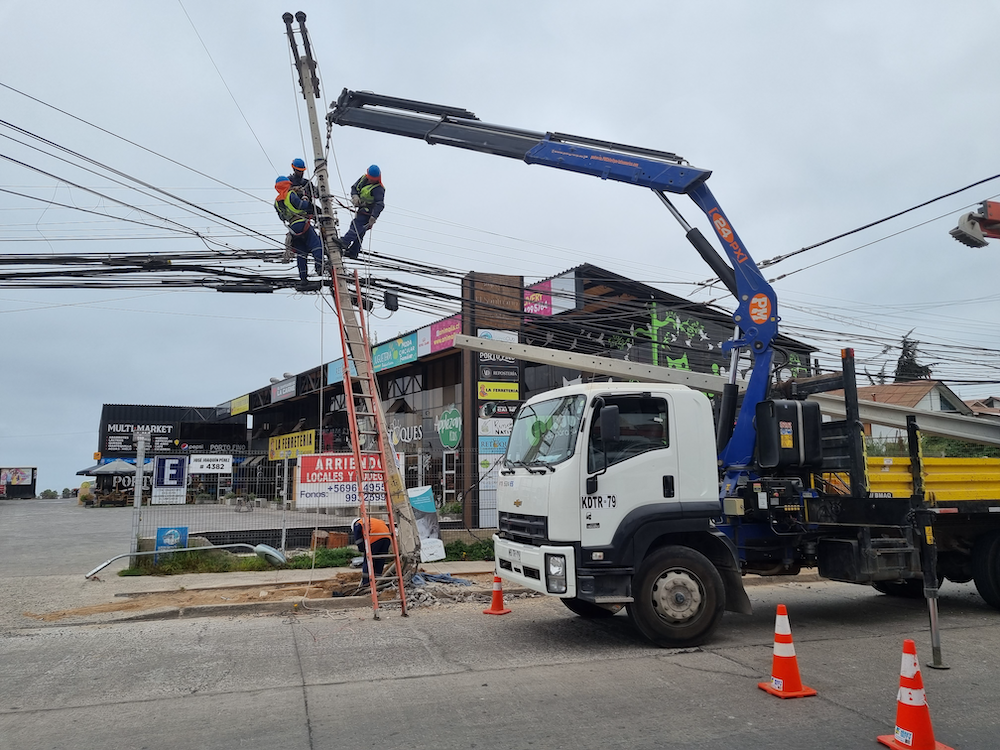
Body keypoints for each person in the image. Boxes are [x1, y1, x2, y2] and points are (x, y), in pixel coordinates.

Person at [274, 175, 324, 285]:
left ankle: (303, 278)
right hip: (302, 223)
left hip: (292, 228)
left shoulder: (277, 202)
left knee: (301, 253)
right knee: (316, 245)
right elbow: (301, 205)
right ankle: (319, 267)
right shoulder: (290, 194)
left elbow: (282, 217)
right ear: (288, 184)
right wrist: (305, 200)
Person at [341, 165, 385, 260]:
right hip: (361, 208)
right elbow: (354, 188)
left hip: (367, 213)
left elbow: (380, 204)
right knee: (360, 232)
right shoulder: (363, 179)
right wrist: (355, 196)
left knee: (356, 226)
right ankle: (353, 252)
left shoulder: (378, 189)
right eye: (370, 178)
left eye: (373, 179)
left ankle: (345, 241)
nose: (371, 180)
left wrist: (373, 217)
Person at [352, 516, 392, 587]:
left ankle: (366, 583)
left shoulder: (358, 524)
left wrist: (362, 549)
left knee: (368, 560)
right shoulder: (371, 521)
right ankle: (377, 581)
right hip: (387, 538)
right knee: (380, 559)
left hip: (374, 538)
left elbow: (359, 540)